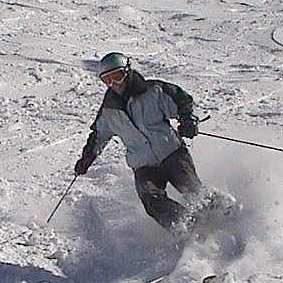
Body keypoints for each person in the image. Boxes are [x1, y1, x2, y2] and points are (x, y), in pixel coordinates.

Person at [74, 52, 234, 238]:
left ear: (128, 71)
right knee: (150, 199)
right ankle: (187, 227)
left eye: (117, 76)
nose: (114, 84)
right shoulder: (109, 110)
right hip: (143, 164)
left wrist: (188, 119)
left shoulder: (153, 91)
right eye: (107, 80)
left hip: (171, 153)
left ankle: (225, 207)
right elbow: (98, 136)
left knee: (190, 190)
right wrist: (87, 158)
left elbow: (181, 100)